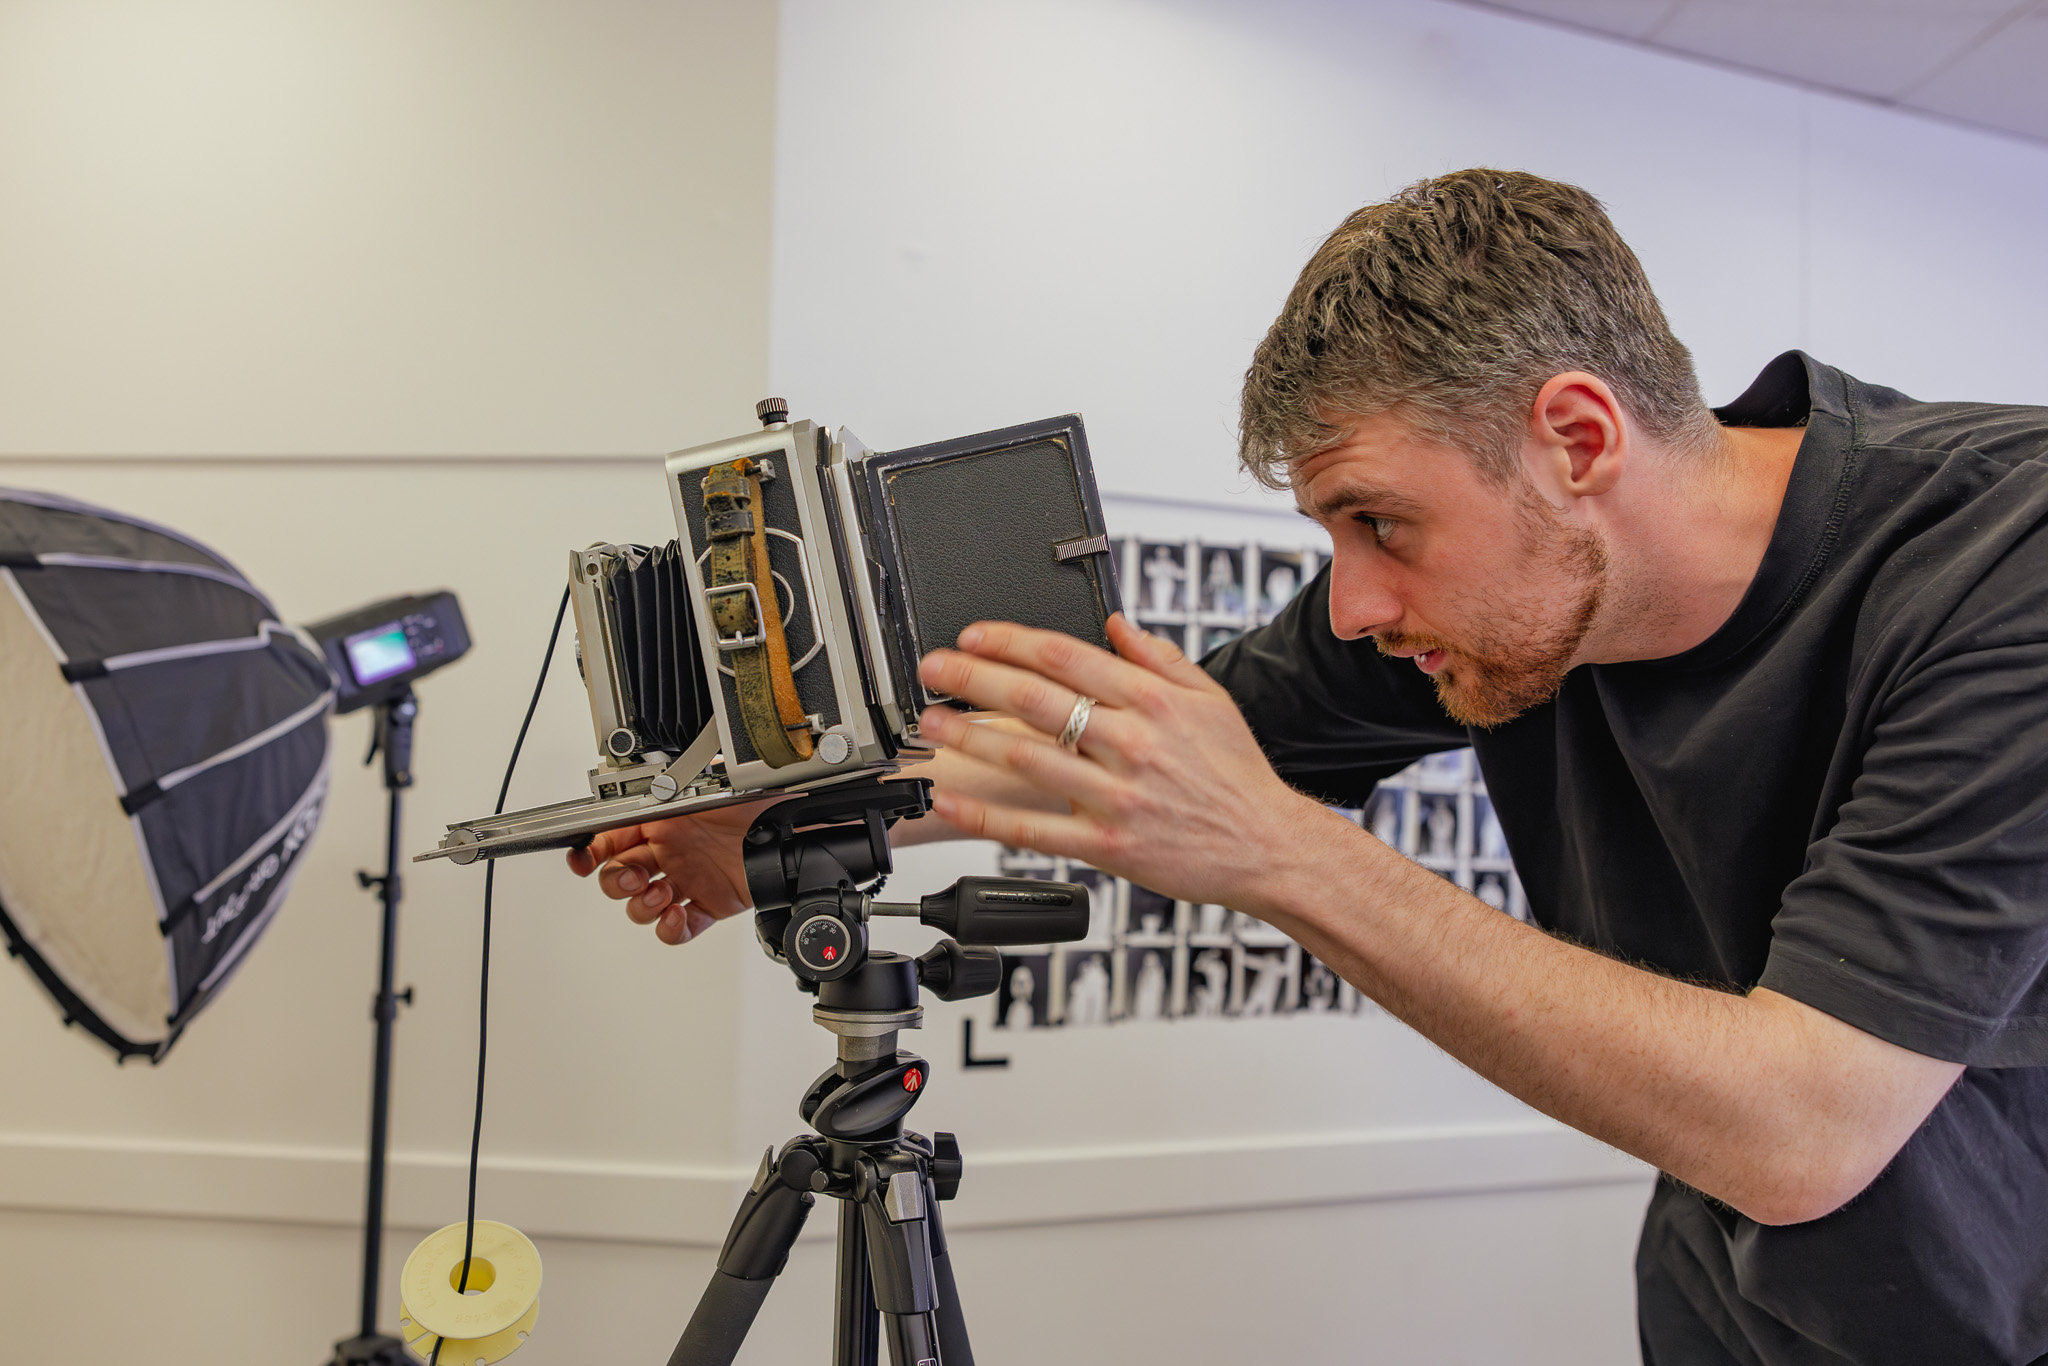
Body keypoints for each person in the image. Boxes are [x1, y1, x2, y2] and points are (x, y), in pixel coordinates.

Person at [567, 170, 2048, 1366]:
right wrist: (776, 822)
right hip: (1724, 1313)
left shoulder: (2001, 567)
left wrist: (1277, 849)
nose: (1351, 606)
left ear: (1578, 438)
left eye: (1378, 524)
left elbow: (1802, 1126)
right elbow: (1122, 757)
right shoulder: (1480, 602)